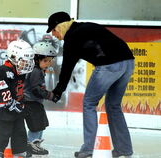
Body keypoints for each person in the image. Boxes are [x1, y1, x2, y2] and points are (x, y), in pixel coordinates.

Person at [46, 11, 135, 158]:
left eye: (53, 30)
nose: (54, 35)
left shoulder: (72, 39)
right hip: (128, 62)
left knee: (89, 103)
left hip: (109, 65)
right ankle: (124, 149)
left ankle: (89, 148)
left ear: (60, 26)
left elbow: (66, 69)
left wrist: (57, 91)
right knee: (113, 105)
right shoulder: (87, 26)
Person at [0, 39, 35, 158]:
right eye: (24, 61)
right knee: (4, 129)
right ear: (14, 57)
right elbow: (3, 90)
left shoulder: (20, 71)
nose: (26, 64)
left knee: (19, 129)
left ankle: (19, 150)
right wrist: (12, 104)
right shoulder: (2, 70)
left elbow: (20, 90)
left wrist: (22, 104)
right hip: (5, 107)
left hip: (17, 105)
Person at [23, 41, 58, 156]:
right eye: (45, 61)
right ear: (36, 59)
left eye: (50, 60)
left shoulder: (38, 70)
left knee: (40, 124)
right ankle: (30, 145)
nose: (48, 63)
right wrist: (50, 95)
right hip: (31, 103)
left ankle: (35, 144)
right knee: (36, 126)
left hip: (35, 102)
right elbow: (36, 89)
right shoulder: (35, 71)